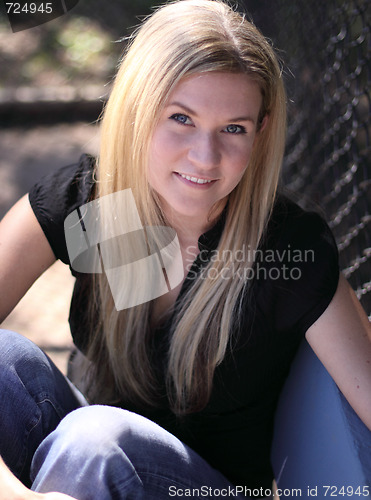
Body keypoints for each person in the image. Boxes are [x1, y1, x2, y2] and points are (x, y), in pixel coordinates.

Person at [0, 0, 370, 498]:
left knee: (94, 443)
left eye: (233, 129)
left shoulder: (285, 251)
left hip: (201, 488)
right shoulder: (97, 208)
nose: (205, 156)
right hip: (80, 465)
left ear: (260, 133)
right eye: (181, 118)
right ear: (139, 110)